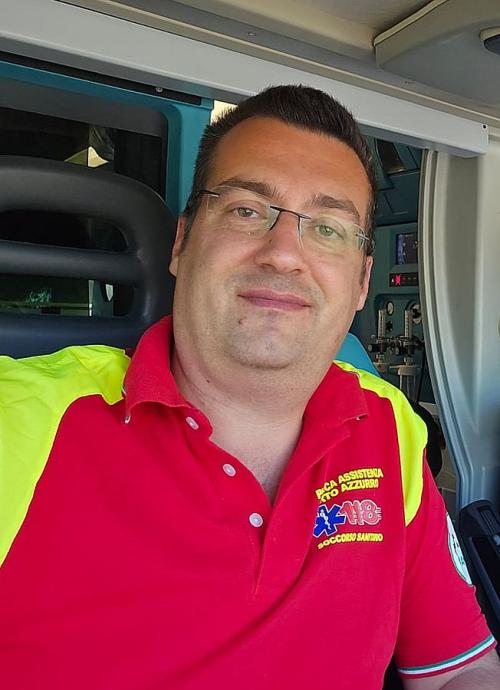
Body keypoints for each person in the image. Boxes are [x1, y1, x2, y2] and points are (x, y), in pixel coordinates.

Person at [0, 85, 498, 690]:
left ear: (362, 282)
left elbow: (456, 670)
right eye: (246, 210)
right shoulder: (19, 424)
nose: (284, 254)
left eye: (329, 228)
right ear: (181, 243)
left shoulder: (388, 425)